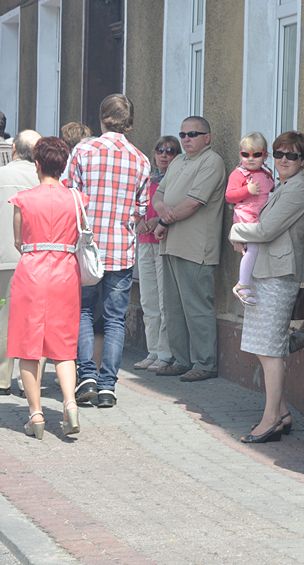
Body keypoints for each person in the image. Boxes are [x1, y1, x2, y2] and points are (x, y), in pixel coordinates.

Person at [229, 131, 304, 443]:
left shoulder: (297, 191)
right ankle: (283, 412)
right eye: (279, 154)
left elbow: (265, 230)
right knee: (266, 348)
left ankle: (271, 419)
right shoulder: (284, 186)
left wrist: (235, 231)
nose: (283, 160)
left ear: (302, 160)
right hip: (268, 272)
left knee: (270, 350)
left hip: (279, 275)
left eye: (291, 156)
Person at [69, 94, 151, 409]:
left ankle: (87, 375)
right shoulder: (140, 159)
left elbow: (69, 195)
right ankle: (108, 386)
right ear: (129, 122)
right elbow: (141, 209)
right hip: (121, 247)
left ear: (103, 118)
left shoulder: (84, 150)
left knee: (84, 312)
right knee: (116, 318)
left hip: (86, 246)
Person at [8, 137, 86, 438]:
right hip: (66, 269)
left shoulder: (25, 199)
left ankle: (36, 415)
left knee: (28, 345)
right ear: (63, 164)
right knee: (64, 345)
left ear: (37, 164)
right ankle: (70, 403)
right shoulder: (76, 198)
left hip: (33, 268)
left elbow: (18, 241)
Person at [152, 116, 226, 382]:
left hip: (197, 246)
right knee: (173, 308)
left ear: (207, 137)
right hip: (171, 243)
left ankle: (205, 363)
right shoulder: (179, 162)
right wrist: (163, 212)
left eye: (193, 134)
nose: (186, 139)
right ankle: (181, 359)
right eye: (182, 134)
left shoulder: (212, 161)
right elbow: (158, 195)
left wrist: (163, 220)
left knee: (196, 306)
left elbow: (194, 202)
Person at [133, 136, 181, 372]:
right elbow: (134, 204)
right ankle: (152, 350)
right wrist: (139, 220)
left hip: (164, 242)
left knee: (164, 301)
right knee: (148, 299)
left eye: (170, 151)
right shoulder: (146, 179)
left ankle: (165, 352)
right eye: (160, 150)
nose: (164, 155)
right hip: (144, 241)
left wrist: (156, 219)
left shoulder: (176, 179)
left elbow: (176, 209)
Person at [0, 130, 42, 395]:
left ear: (13, 148)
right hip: (35, 261)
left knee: (3, 318)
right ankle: (32, 382)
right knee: (33, 320)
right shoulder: (44, 180)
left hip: (3, 258)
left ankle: (2, 378)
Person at [225, 132, 275, 306]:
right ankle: (243, 284)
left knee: (258, 252)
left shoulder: (267, 173)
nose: (250, 159)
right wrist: (247, 190)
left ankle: (251, 283)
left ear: (265, 155)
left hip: (262, 218)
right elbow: (229, 196)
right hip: (245, 218)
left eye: (256, 155)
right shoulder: (238, 174)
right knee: (252, 250)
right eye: (245, 154)